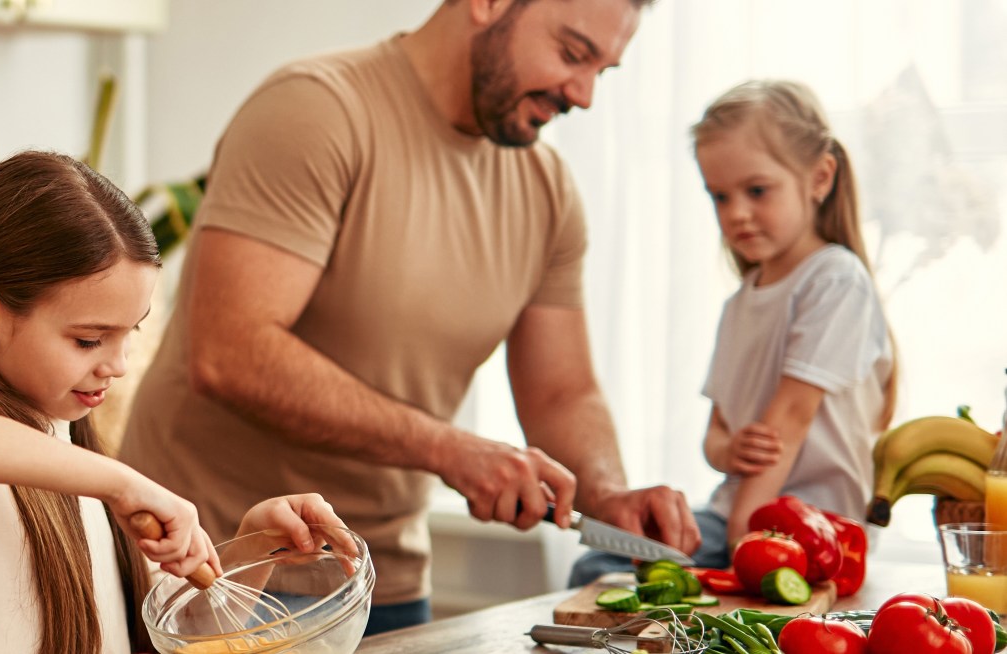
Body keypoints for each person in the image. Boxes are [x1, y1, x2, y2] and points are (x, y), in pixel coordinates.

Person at [116, 0, 696, 633]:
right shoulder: (315, 110)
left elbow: (562, 390)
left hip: (381, 582)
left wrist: (608, 495)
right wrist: (452, 451)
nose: (583, 94)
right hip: (211, 571)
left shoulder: (548, 189)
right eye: (572, 53)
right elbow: (230, 352)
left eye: (602, 72)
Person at [0, 150, 352, 653]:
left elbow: (181, 637)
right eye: (89, 340)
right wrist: (121, 484)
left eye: (129, 333)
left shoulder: (75, 454)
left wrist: (255, 546)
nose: (116, 365)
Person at [570, 80, 895, 584]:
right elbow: (716, 433)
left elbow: (789, 420)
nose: (735, 213)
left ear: (819, 177)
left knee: (607, 572)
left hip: (815, 526)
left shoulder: (834, 279)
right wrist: (729, 450)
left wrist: (747, 543)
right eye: (719, 196)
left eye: (757, 191)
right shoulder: (740, 302)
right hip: (735, 513)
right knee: (601, 566)